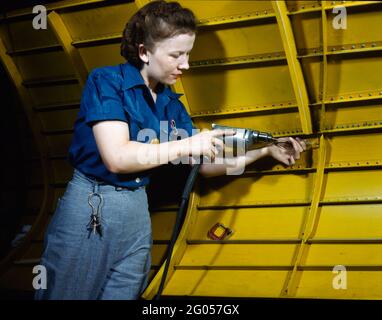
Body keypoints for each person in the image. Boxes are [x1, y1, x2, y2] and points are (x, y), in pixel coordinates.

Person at [35, 0, 306, 300]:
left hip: (137, 213)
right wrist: (187, 143)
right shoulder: (107, 81)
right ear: (144, 52)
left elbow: (201, 166)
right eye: (176, 55)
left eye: (187, 54)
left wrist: (263, 153)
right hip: (92, 205)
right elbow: (117, 157)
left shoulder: (171, 104)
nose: (186, 64)